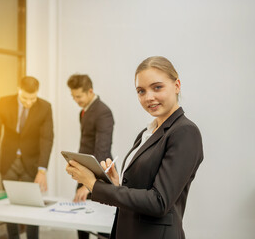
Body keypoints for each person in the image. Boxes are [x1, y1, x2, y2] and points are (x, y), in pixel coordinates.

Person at [66, 56, 203, 239]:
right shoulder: (147, 132)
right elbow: (142, 189)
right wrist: (116, 185)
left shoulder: (185, 132)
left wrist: (92, 184)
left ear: (177, 85)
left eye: (157, 87)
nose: (149, 97)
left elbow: (159, 202)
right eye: (141, 91)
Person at [0, 76, 54, 239]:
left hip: (32, 163)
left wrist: (42, 170)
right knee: (10, 205)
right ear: (18, 90)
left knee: (32, 206)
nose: (29, 102)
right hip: (9, 162)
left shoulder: (45, 107)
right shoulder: (3, 102)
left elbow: (47, 139)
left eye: (32, 98)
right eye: (24, 98)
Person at [67, 74, 114, 239]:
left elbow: (102, 151)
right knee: (81, 220)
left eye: (79, 96)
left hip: (100, 176)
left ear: (90, 91)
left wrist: (88, 184)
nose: (76, 100)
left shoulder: (103, 112)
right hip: (83, 173)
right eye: (73, 96)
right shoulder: (83, 112)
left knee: (102, 225)